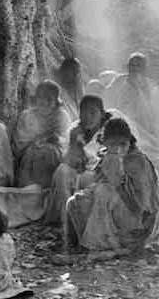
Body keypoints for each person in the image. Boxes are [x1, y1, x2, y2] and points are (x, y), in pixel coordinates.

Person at [65, 117, 159, 252]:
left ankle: (103, 243)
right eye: (112, 144)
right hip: (120, 209)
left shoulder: (137, 162)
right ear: (104, 142)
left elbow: (145, 207)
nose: (118, 149)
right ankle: (77, 245)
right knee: (74, 202)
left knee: (103, 192)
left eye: (123, 144)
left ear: (130, 142)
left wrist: (117, 183)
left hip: (141, 220)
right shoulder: (107, 157)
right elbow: (96, 181)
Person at [46, 95, 113, 224]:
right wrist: (74, 142)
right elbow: (69, 160)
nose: (88, 117)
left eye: (93, 112)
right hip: (82, 171)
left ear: (102, 114)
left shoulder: (109, 129)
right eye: (84, 113)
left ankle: (89, 222)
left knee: (87, 178)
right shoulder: (75, 129)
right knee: (62, 171)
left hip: (104, 175)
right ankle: (67, 216)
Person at [105, 53, 159, 153]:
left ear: (144, 68)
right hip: (123, 126)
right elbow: (108, 102)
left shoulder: (152, 86)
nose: (134, 69)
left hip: (146, 129)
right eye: (132, 65)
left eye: (138, 65)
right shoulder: (118, 82)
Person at [12, 80, 71, 188]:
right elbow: (19, 142)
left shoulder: (61, 116)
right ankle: (28, 190)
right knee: (35, 153)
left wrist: (55, 139)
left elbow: (66, 142)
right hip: (29, 155)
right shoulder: (27, 115)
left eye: (49, 99)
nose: (44, 102)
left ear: (56, 101)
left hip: (54, 156)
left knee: (49, 153)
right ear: (36, 98)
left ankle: (48, 191)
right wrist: (38, 140)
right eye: (41, 98)